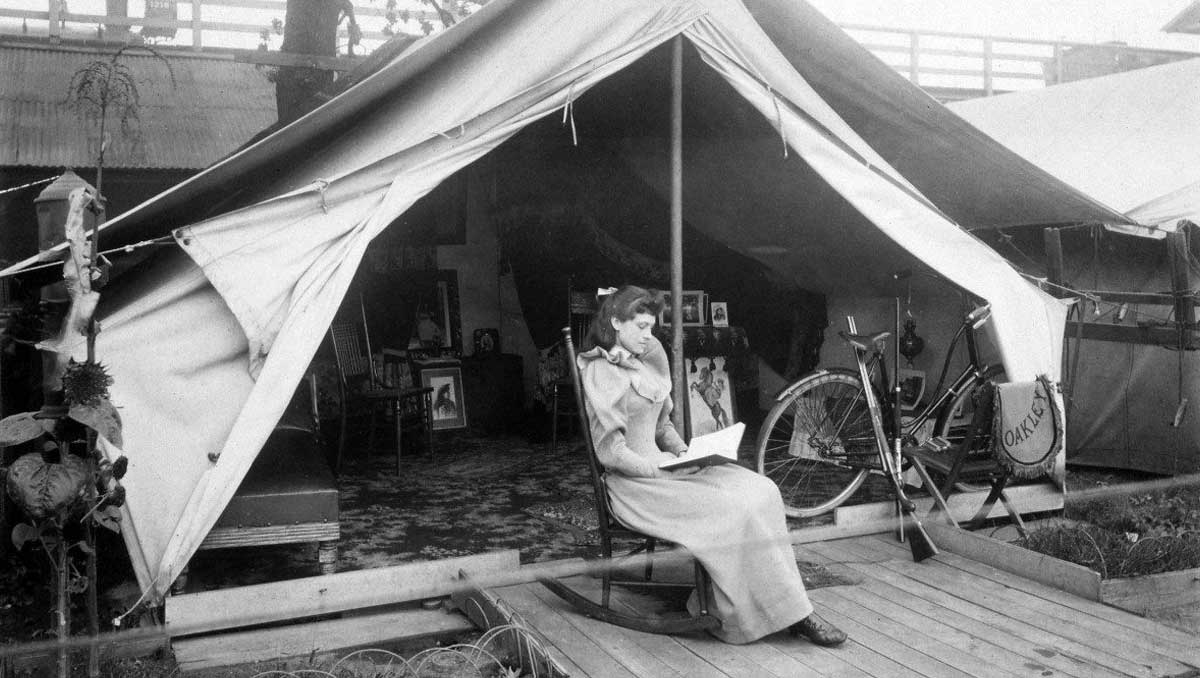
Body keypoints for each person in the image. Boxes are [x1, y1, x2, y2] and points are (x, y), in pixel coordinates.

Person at [576, 285, 846, 646]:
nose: (648, 335)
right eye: (640, 326)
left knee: (762, 490)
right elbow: (611, 452)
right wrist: (659, 471)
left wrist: (688, 454)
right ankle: (790, 613)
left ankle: (778, 604)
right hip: (635, 485)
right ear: (615, 322)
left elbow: (663, 427)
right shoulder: (602, 370)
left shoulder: (646, 360)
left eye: (652, 327)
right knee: (732, 506)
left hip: (667, 470)